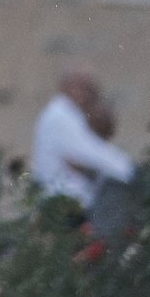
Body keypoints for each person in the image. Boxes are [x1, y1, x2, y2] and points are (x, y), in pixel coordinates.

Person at [30, 71, 134, 210]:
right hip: (66, 206)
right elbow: (93, 154)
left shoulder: (64, 114)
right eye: (87, 89)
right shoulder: (61, 114)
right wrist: (129, 169)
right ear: (69, 87)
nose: (90, 98)